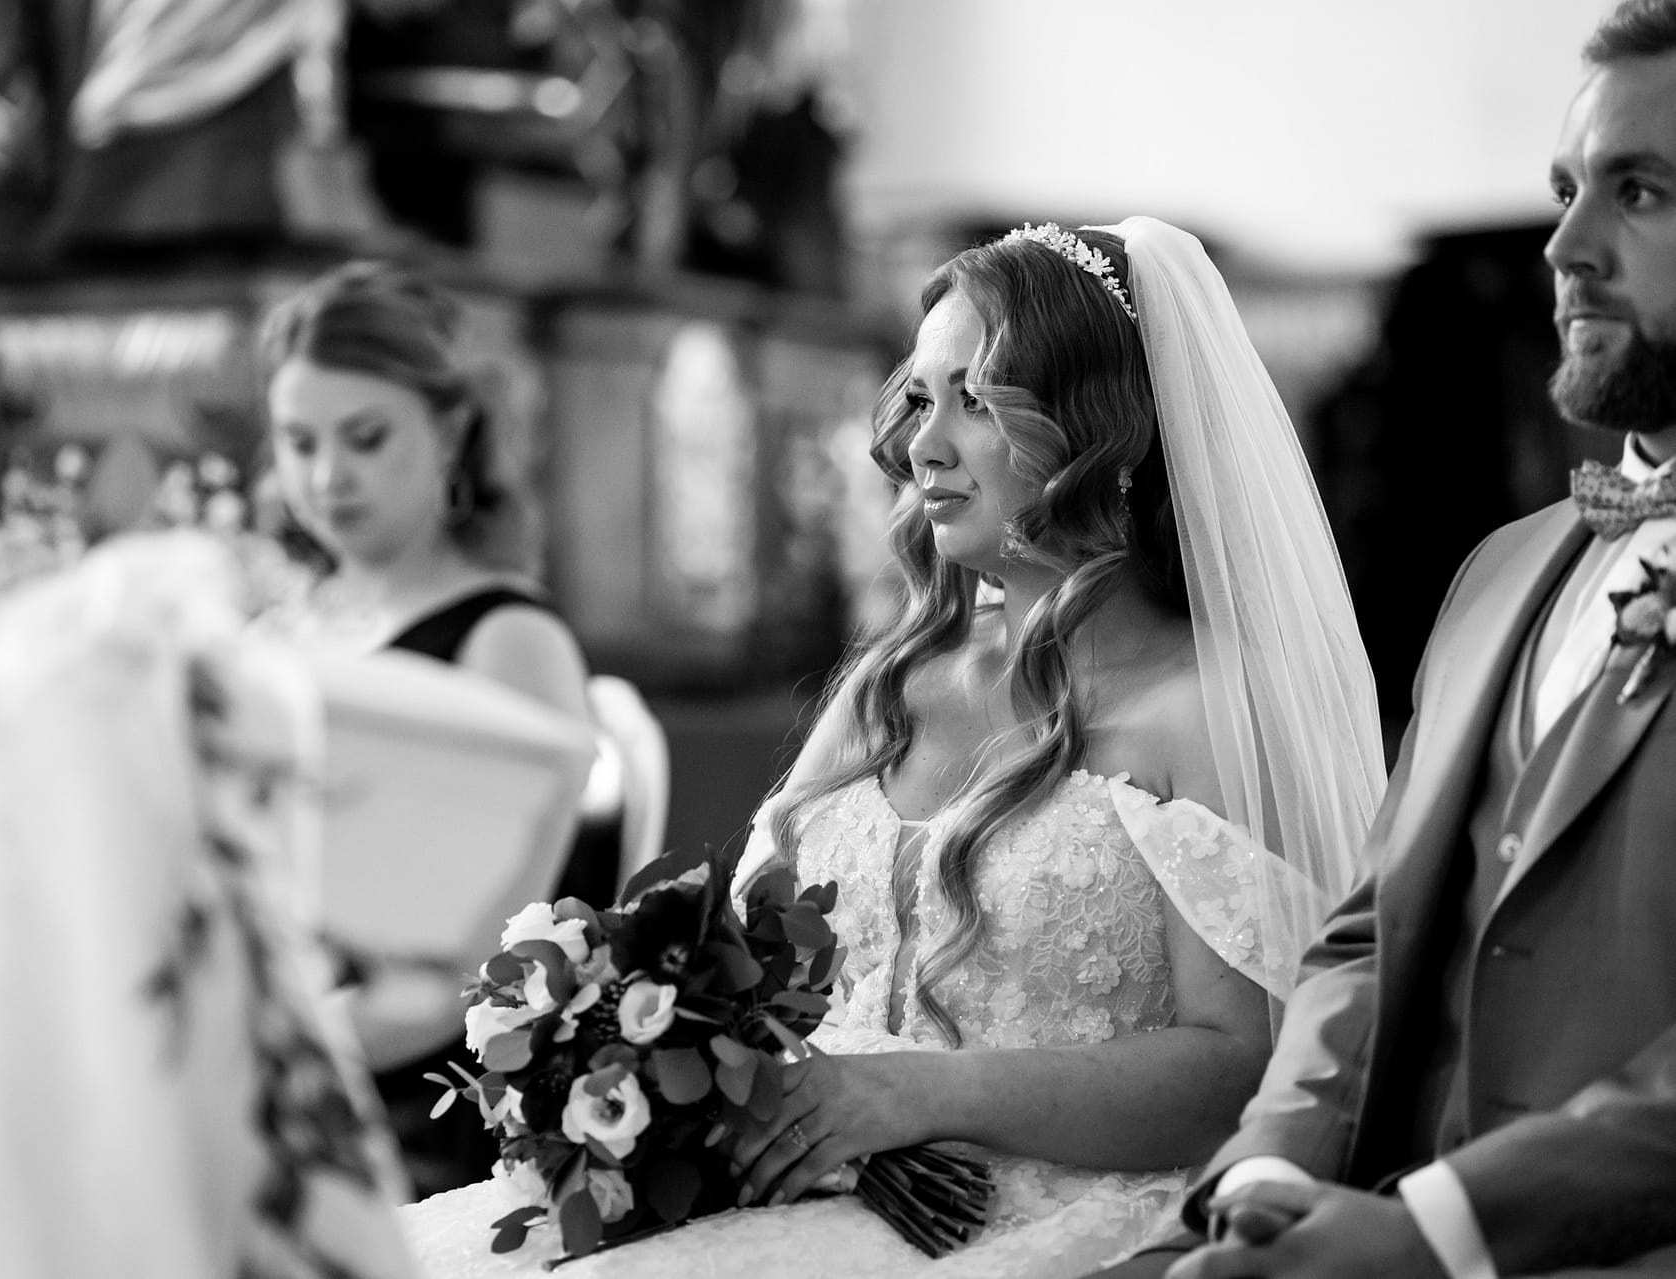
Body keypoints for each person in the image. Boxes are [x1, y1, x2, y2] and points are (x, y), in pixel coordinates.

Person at [391, 216, 1386, 1277]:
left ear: (1099, 425)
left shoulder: (1207, 707)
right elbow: (742, 960)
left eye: (978, 400)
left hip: (1044, 1219)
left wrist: (912, 1092)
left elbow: (1245, 1070)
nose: (923, 447)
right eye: (920, 398)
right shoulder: (893, 682)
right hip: (806, 1195)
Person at [1108, 4, 1676, 1277]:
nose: (1565, 247)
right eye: (1565, 192)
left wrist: (1432, 1233)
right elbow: (1371, 929)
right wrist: (1268, 1173)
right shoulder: (1498, 573)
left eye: (1636, 191)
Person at [255, 260, 608, 1198]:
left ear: (450, 430)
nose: (327, 476)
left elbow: (474, 972)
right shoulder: (269, 636)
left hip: (421, 1110)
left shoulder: (510, 639)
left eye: (366, 437)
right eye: (298, 441)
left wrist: (255, 1058)